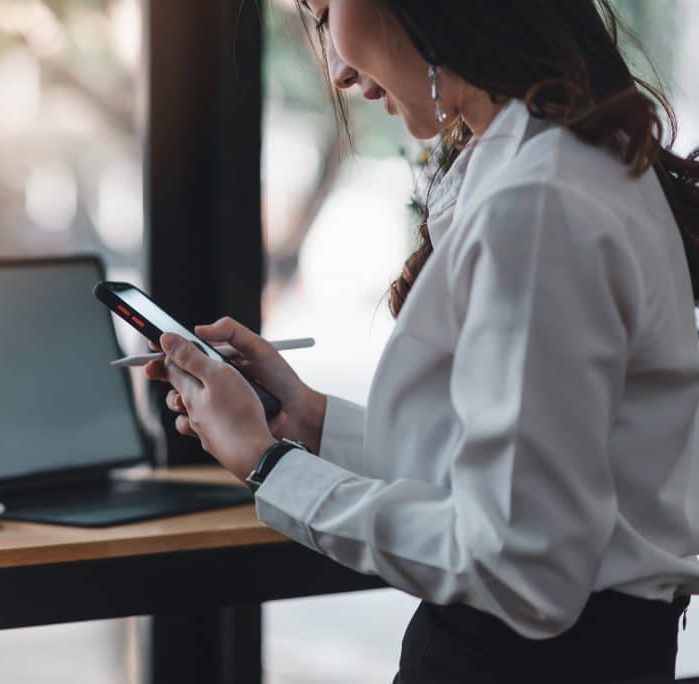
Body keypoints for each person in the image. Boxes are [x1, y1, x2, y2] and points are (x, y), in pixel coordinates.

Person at [145, 2, 699, 682]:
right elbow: (523, 485)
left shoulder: (536, 201)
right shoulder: (573, 161)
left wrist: (270, 466)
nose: (339, 68)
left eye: (324, 12)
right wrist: (313, 420)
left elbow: (525, 569)